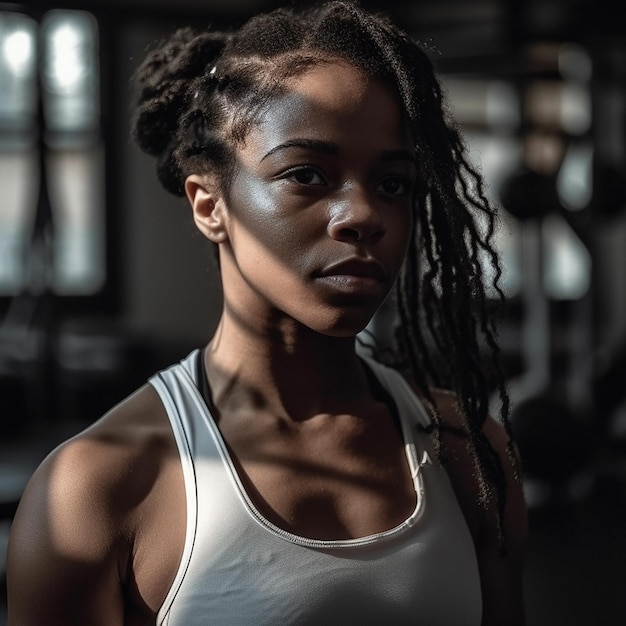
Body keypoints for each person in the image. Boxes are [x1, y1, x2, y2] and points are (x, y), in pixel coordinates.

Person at [6, 2, 527, 624]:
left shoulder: (469, 452)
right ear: (209, 205)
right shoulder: (95, 490)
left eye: (393, 184)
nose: (363, 215)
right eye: (307, 174)